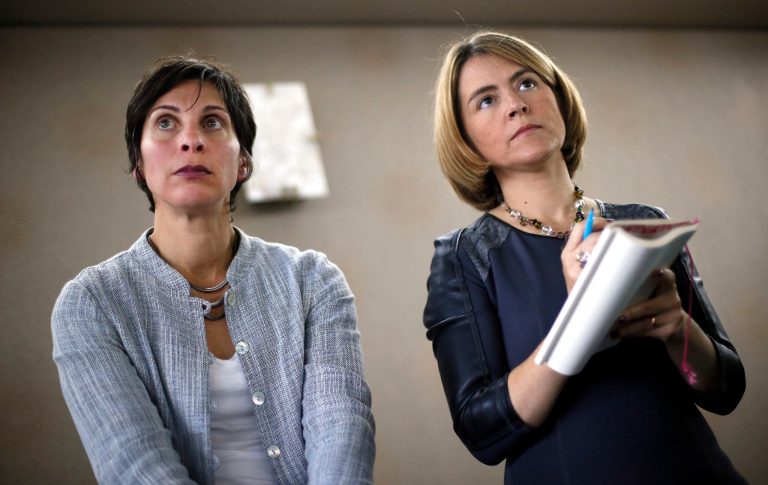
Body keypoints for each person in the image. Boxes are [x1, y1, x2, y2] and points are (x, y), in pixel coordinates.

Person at [423, 31, 745, 484]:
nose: (516, 105)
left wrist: (678, 330)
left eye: (527, 83)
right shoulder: (462, 257)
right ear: (465, 139)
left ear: (559, 98)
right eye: (486, 100)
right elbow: (481, 432)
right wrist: (580, 321)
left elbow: (726, 390)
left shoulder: (643, 223)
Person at [52, 56, 375, 484]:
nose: (191, 140)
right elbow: (133, 465)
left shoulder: (313, 280)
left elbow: (341, 426)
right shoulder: (91, 303)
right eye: (165, 123)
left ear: (243, 162)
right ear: (138, 166)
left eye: (212, 122)